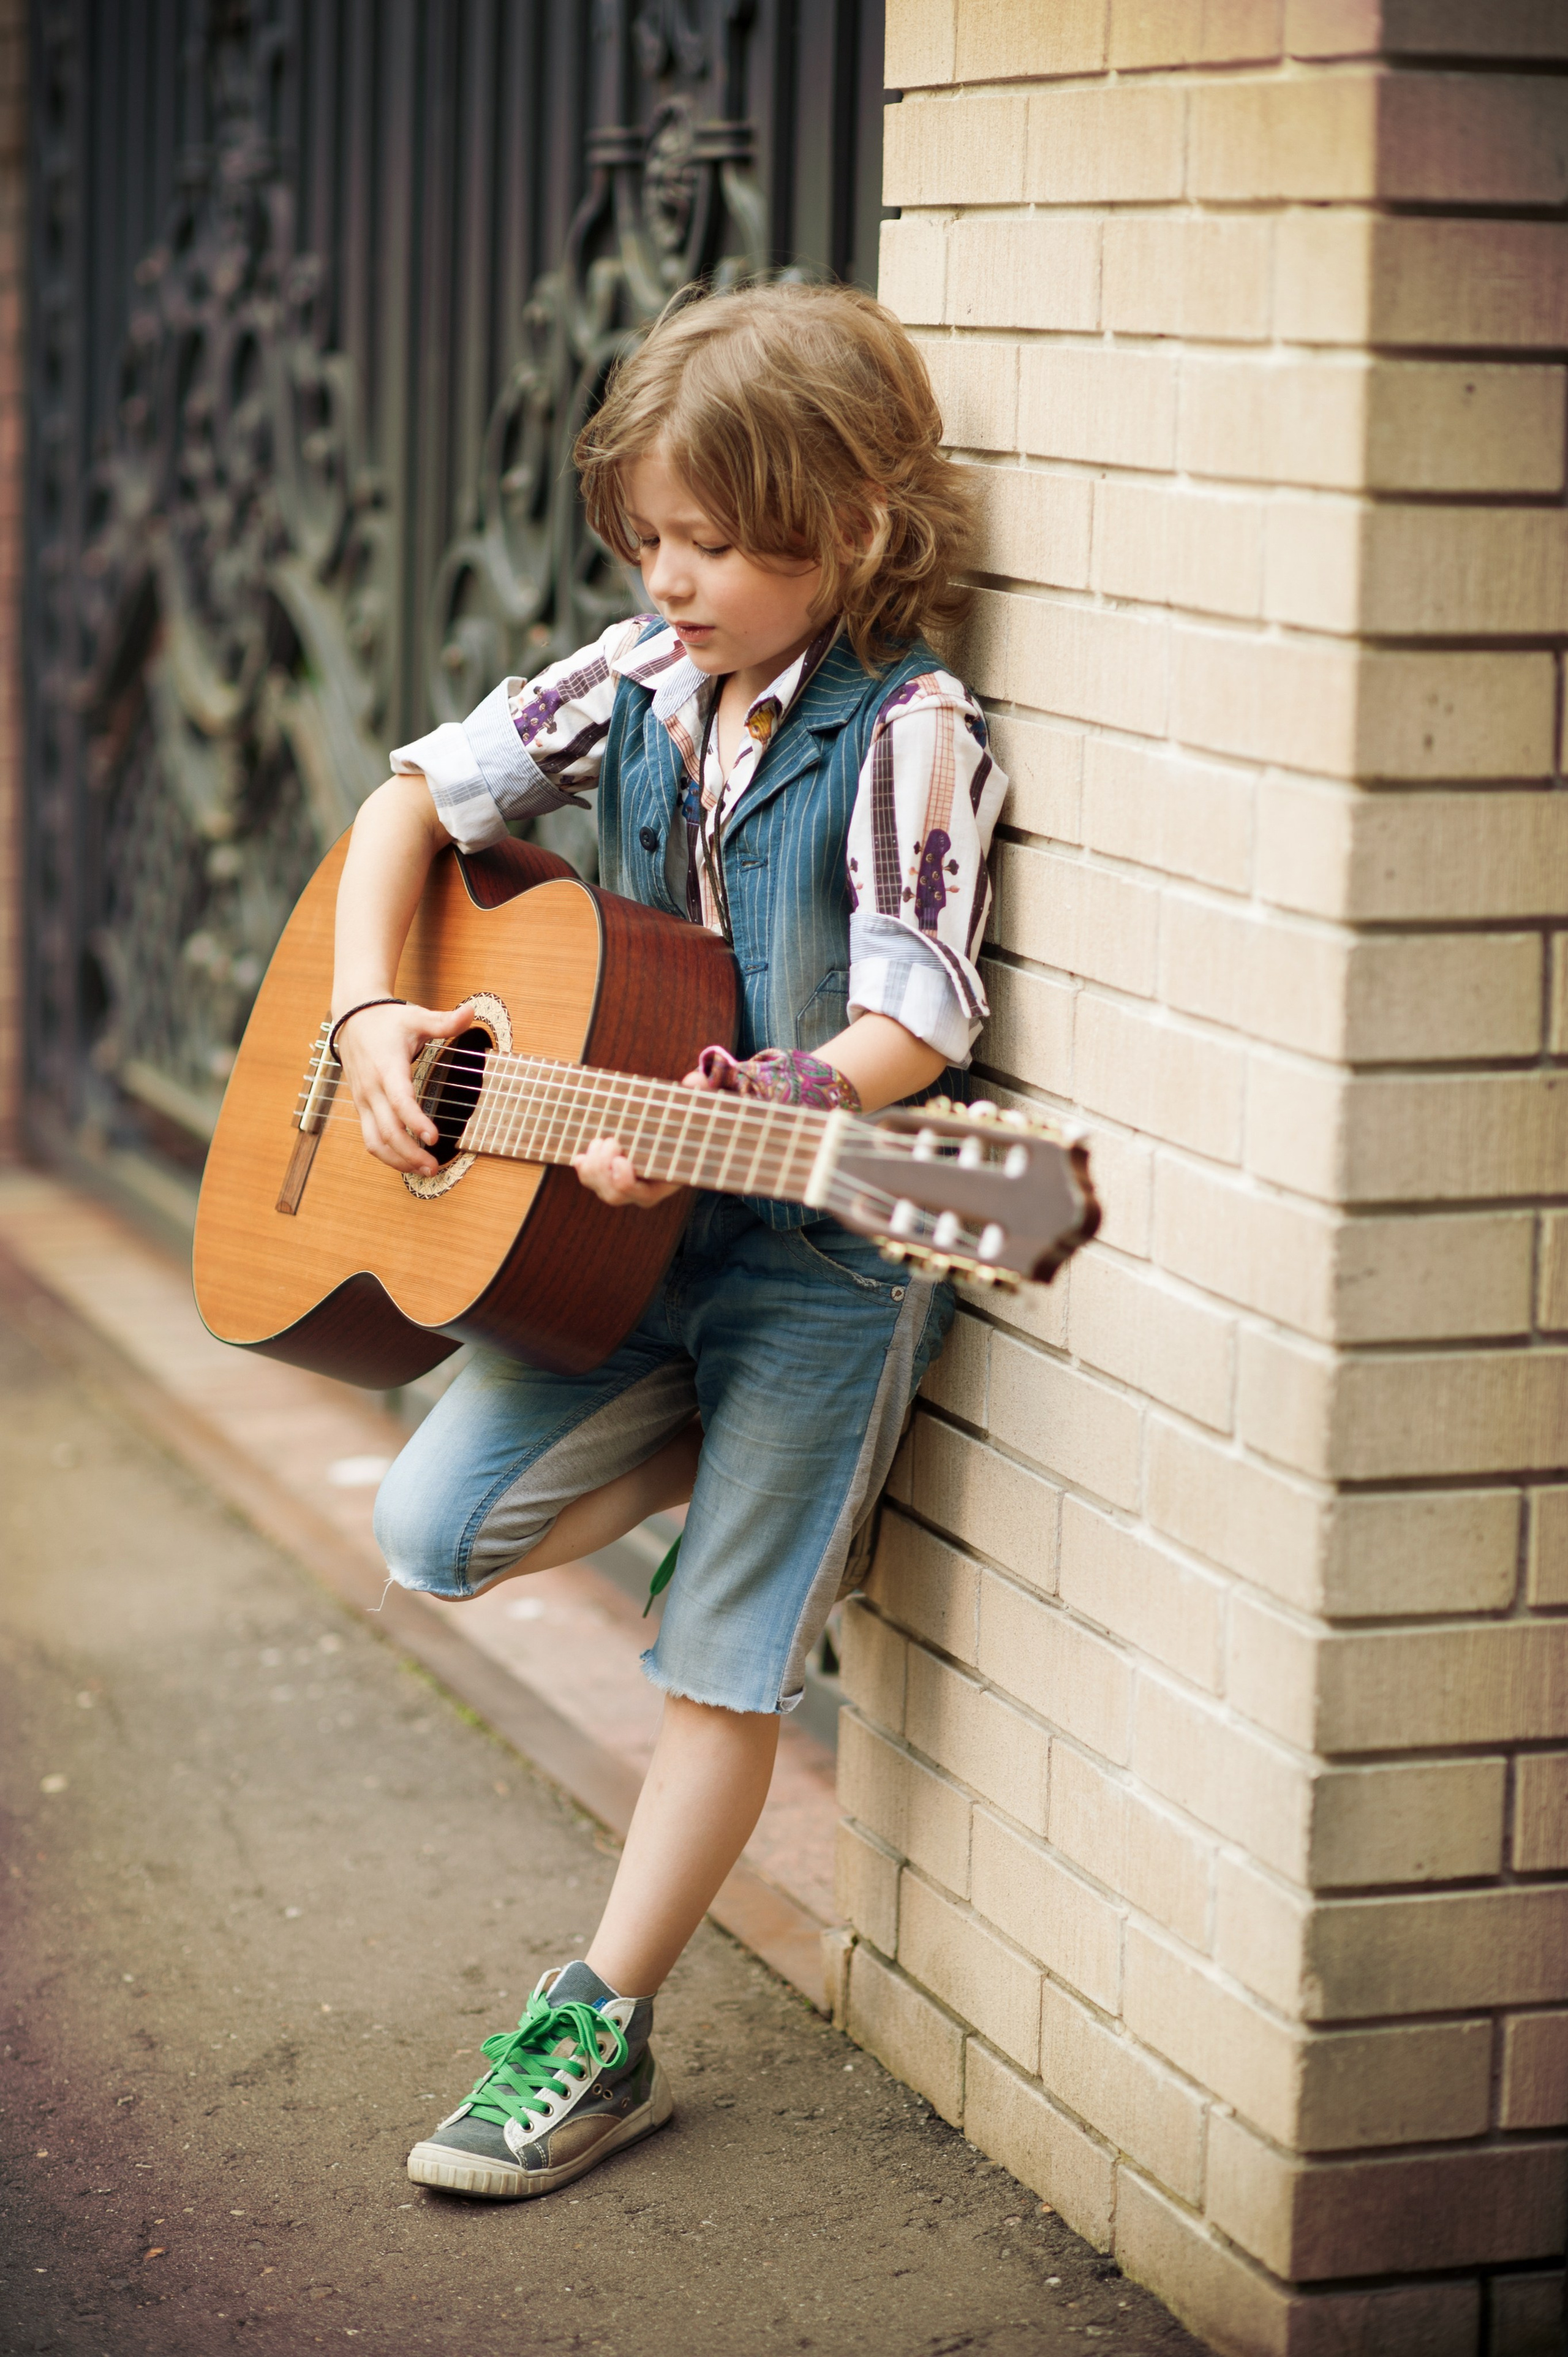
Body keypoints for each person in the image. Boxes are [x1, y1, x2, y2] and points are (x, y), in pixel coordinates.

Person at [329, 281, 1008, 2201]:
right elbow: (411, 800)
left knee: (721, 1663)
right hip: (621, 1235)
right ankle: (761, 1490)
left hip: (816, 1244)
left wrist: (755, 1111)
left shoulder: (909, 729)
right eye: (648, 538)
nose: (672, 576)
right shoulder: (634, 676)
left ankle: (599, 2023)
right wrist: (375, 1016)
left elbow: (914, 1025)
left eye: (712, 543)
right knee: (429, 1532)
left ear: (851, 526)